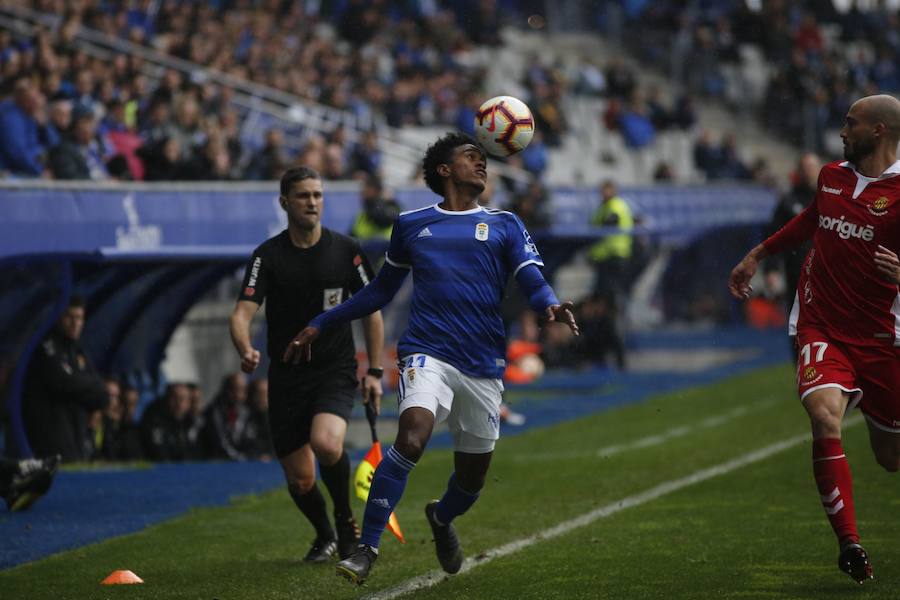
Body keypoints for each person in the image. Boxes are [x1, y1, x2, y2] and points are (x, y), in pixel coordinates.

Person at [283, 132, 579, 584]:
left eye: (483, 158)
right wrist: (322, 321)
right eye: (471, 156)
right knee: (412, 436)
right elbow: (380, 291)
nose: (482, 163)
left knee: (472, 479)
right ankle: (366, 549)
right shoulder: (411, 224)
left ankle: (441, 517)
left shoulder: (505, 223)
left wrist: (551, 305)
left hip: (482, 363)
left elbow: (533, 280)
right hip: (427, 352)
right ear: (444, 169)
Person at [728, 94, 900, 585]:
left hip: (881, 337)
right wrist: (758, 254)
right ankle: (850, 544)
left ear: (879, 131)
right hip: (821, 325)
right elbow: (811, 220)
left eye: (851, 123)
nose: (842, 131)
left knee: (890, 459)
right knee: (824, 416)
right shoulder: (831, 177)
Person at [229, 166, 385, 563]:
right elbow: (242, 313)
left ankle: (346, 521)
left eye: (317, 195)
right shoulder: (267, 256)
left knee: (326, 443)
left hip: (335, 369)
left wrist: (375, 371)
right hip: (287, 376)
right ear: (285, 202)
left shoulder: (345, 249)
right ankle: (324, 534)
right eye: (303, 196)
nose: (312, 202)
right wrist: (245, 348)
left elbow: (372, 310)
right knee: (300, 480)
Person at [23, 296, 108, 462]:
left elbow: (102, 394)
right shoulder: (46, 346)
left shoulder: (78, 352)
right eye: (70, 317)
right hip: (51, 439)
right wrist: (88, 385)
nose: (75, 323)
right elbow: (62, 383)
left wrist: (79, 383)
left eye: (79, 318)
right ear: (58, 318)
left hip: (76, 437)